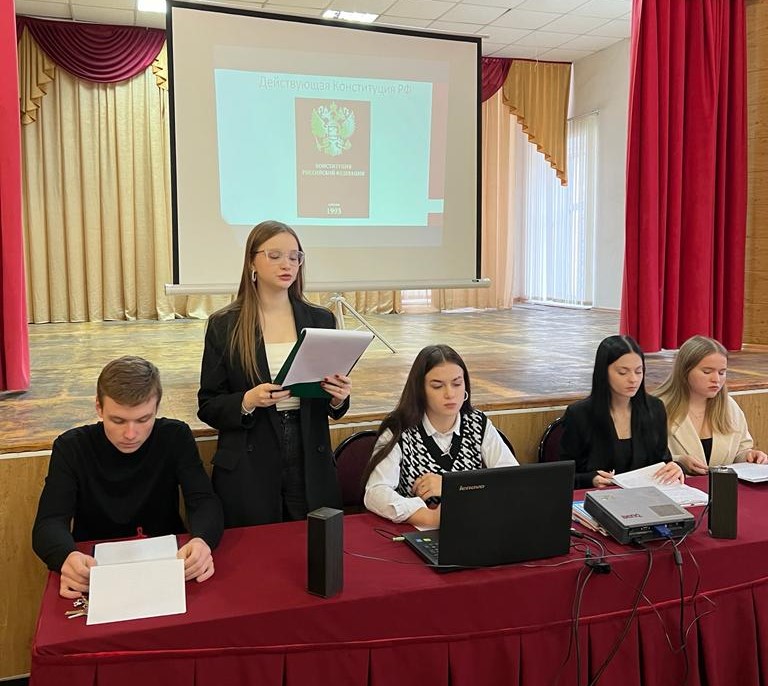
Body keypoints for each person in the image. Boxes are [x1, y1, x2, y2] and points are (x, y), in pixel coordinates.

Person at [198, 220, 351, 527]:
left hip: (309, 456)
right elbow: (209, 405)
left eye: (295, 257)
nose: (287, 264)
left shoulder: (321, 319)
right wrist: (247, 400)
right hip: (250, 458)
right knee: (256, 547)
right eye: (275, 255)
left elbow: (330, 401)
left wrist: (338, 397)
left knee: (311, 543)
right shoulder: (225, 324)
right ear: (252, 261)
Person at [32, 356, 223, 599]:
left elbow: (203, 500)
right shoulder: (71, 447)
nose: (131, 434)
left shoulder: (175, 436)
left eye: (143, 419)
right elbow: (49, 523)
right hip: (94, 568)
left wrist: (202, 541)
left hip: (167, 563)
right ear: (99, 408)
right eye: (118, 420)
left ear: (157, 408)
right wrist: (67, 557)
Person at [363, 344, 518, 527]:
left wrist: (451, 486)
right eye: (437, 386)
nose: (450, 394)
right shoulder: (398, 430)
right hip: (416, 531)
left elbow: (513, 479)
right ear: (420, 390)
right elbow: (375, 492)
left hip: (472, 526)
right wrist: (429, 517)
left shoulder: (477, 423)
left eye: (457, 384)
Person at [560, 335, 683, 489]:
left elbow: (663, 461)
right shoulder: (579, 414)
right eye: (623, 372)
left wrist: (675, 468)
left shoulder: (654, 408)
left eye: (638, 371)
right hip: (600, 496)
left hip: (645, 495)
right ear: (603, 373)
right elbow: (562, 475)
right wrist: (590, 480)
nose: (633, 379)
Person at [655, 335, 768, 473]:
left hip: (722, 485)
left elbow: (739, 451)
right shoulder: (657, 408)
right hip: (677, 485)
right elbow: (643, 461)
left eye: (722, 372)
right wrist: (678, 461)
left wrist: (749, 456)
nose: (716, 379)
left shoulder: (729, 406)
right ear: (684, 371)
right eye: (707, 372)